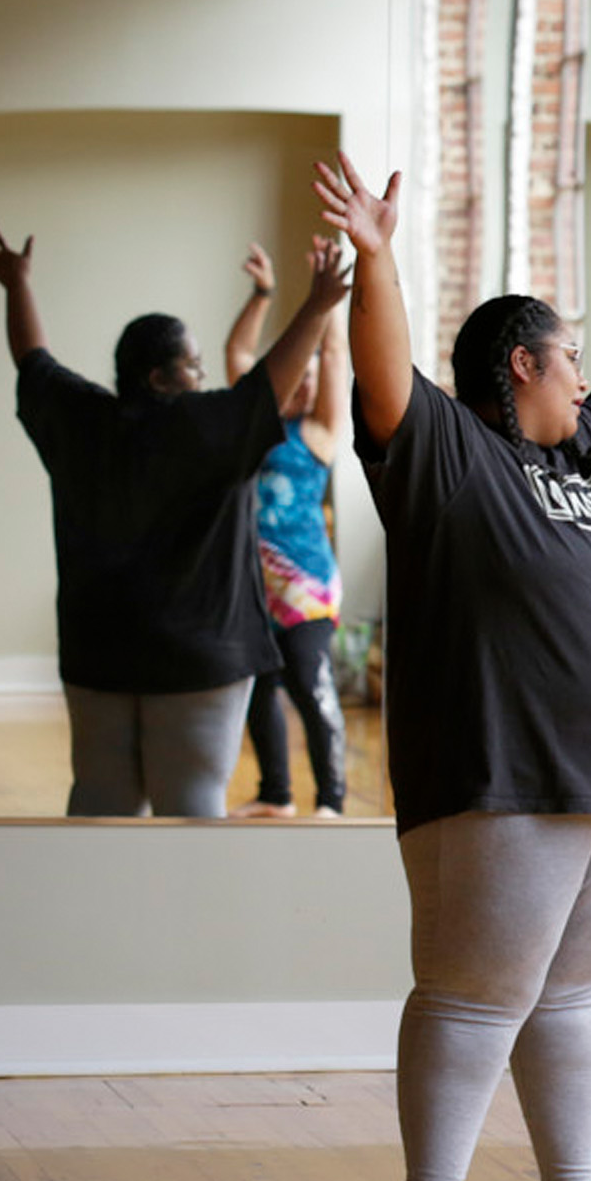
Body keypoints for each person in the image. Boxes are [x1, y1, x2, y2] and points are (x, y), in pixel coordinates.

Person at [316, 151, 591, 1181]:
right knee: (472, 991)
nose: (586, 378)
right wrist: (376, 259)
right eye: (567, 359)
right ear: (519, 363)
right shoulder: (450, 457)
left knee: (578, 993)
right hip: (499, 774)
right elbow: (388, 378)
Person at [0, 224, 344, 817]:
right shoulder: (208, 427)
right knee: (191, 811)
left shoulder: (81, 422)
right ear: (160, 379)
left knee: (101, 804)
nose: (202, 377)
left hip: (96, 652)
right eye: (193, 366)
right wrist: (317, 303)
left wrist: (17, 285)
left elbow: (32, 360)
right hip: (201, 661)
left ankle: (100, 913)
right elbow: (269, 382)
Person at [223, 239, 353, 820]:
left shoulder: (319, 433)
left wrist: (324, 308)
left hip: (305, 587)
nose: (303, 382)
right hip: (253, 586)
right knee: (258, 691)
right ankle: (276, 791)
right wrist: (263, 295)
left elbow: (337, 362)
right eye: (296, 374)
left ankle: (331, 798)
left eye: (312, 376)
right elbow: (238, 351)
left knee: (310, 683)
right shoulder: (253, 424)